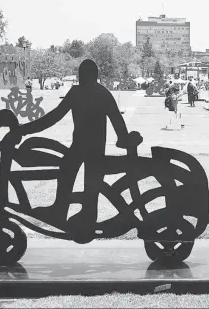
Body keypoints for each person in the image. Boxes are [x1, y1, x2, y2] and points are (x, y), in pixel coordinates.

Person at [16, 59, 130, 236]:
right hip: (95, 147)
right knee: (89, 181)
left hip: (80, 145)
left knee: (68, 173)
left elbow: (54, 117)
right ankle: (82, 214)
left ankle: (61, 210)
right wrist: (124, 139)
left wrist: (24, 130)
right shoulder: (102, 93)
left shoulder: (77, 92)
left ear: (82, 75)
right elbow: (117, 120)